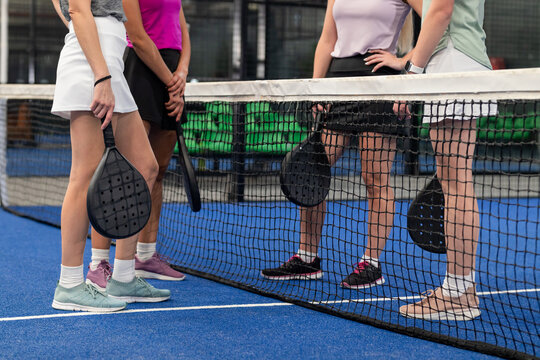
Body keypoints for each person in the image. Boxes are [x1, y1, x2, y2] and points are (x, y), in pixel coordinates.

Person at [261, 0, 414, 289]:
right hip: (338, 81)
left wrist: (407, 63)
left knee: (374, 178)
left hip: (379, 84)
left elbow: (435, 21)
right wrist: (317, 85)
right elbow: (327, 39)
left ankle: (371, 264)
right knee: (313, 170)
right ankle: (307, 258)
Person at [50, 0, 171, 312]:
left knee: (146, 166)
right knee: (85, 174)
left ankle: (123, 277)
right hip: (93, 67)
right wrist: (100, 76)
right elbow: (75, 10)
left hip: (107, 60)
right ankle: (70, 284)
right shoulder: (96, 68)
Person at [391, 0, 492, 321]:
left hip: (453, 61)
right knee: (454, 180)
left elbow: (441, 10)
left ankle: (459, 294)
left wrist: (412, 74)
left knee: (455, 181)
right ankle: (459, 288)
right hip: (457, 60)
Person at [86, 0, 191, 292]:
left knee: (155, 170)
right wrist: (172, 82)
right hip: (141, 70)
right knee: (122, 173)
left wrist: (180, 74)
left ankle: (144, 256)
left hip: (170, 74)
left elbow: (183, 31)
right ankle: (99, 264)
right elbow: (138, 35)